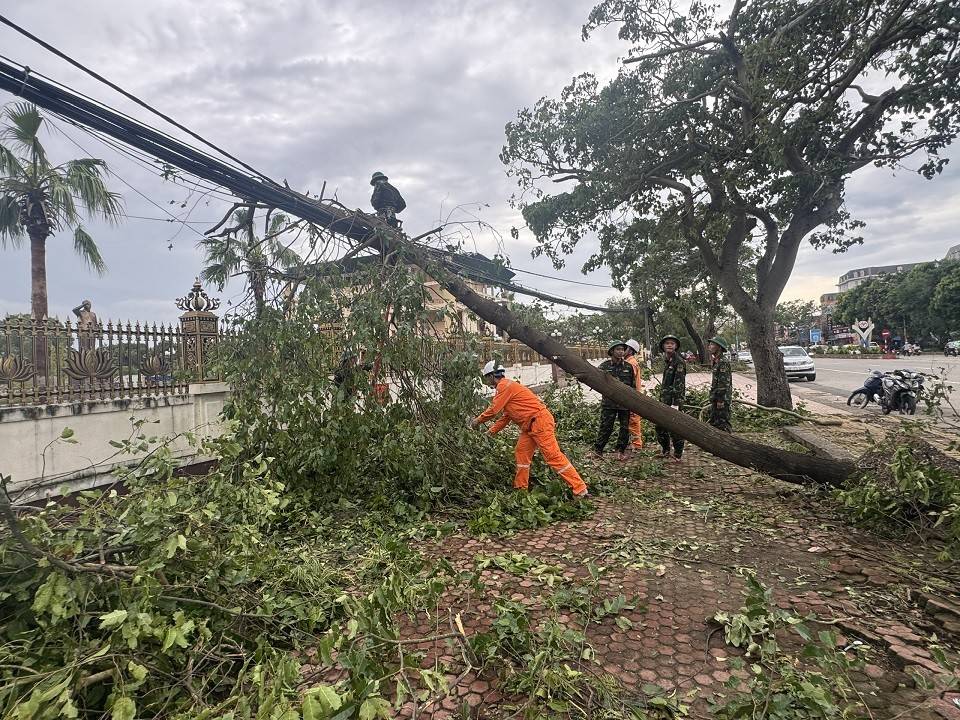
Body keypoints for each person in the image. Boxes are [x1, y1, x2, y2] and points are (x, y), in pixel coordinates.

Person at [471, 361, 588, 498]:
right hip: (530, 426)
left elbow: (493, 410)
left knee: (553, 456)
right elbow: (505, 417)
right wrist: (490, 432)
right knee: (521, 452)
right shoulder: (508, 387)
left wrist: (477, 421)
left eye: (487, 377)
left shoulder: (503, 386)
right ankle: (521, 489)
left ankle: (580, 489)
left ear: (491, 376)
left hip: (539, 422)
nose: (487, 381)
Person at [593, 341, 637, 460]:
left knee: (624, 428)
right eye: (618, 349)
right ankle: (598, 451)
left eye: (622, 349)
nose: (621, 352)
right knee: (606, 427)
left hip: (624, 404)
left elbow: (632, 386)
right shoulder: (604, 366)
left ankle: (621, 451)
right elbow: (597, 382)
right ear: (612, 351)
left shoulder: (628, 367)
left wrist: (633, 404)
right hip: (609, 403)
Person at [655, 335, 686, 461]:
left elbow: (679, 384)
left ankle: (678, 454)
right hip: (664, 401)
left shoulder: (678, 362)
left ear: (676, 346)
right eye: (667, 343)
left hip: (674, 402)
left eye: (672, 343)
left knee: (676, 428)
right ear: (663, 346)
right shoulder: (668, 361)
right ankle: (666, 450)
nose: (669, 345)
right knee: (660, 426)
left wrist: (675, 403)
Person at [707, 336, 733, 432]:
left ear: (719, 347)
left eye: (712, 344)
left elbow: (723, 383)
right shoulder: (717, 361)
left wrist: (720, 400)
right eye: (710, 344)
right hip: (716, 397)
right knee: (715, 422)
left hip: (722, 399)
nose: (709, 346)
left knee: (723, 423)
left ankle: (728, 440)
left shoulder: (723, 362)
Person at [624, 339, 645, 452]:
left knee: (633, 420)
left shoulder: (631, 363)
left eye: (625, 348)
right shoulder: (629, 361)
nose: (623, 350)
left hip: (632, 396)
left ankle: (637, 444)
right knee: (629, 420)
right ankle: (632, 442)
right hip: (632, 395)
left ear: (630, 350)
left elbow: (629, 381)